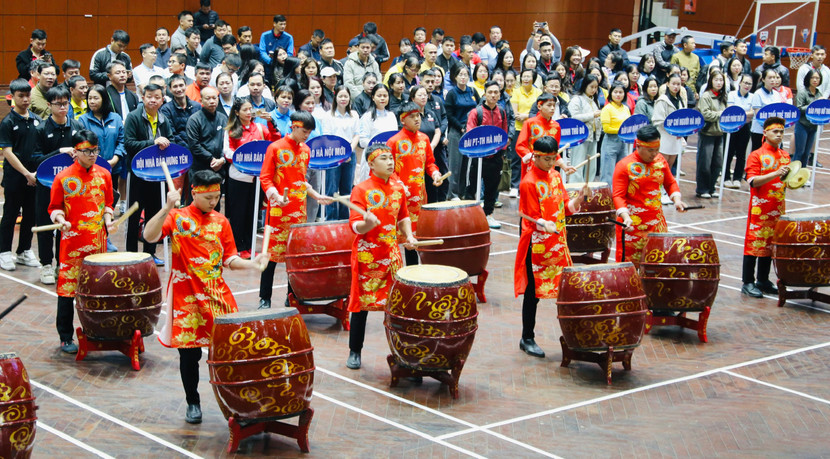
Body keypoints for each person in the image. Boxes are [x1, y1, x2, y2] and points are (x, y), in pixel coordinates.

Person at [144, 169, 268, 424]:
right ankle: (193, 402)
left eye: (217, 196)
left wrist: (252, 264)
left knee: (230, 351)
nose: (214, 202)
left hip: (216, 294)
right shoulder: (177, 217)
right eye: (209, 197)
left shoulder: (221, 222)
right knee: (190, 355)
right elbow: (149, 236)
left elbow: (230, 260)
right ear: (194, 193)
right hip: (185, 296)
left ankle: (238, 403)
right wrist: (167, 206)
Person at [514, 135, 587, 358]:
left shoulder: (556, 176)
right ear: (535, 156)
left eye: (554, 158)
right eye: (546, 159)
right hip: (536, 246)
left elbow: (566, 206)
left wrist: (579, 199)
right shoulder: (528, 182)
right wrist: (543, 223)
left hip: (558, 242)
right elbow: (530, 218)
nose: (550, 163)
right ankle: (527, 337)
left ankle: (575, 335)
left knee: (566, 289)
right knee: (532, 293)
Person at [345, 144, 416, 369]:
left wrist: (409, 236)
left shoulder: (398, 187)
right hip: (368, 256)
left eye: (391, 158)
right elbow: (354, 226)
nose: (390, 162)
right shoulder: (361, 189)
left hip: (392, 254)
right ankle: (355, 351)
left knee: (396, 306)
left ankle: (400, 351)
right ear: (371, 164)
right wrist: (367, 223)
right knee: (362, 305)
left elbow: (403, 216)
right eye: (383, 158)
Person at [48, 130, 115, 353]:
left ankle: (96, 331)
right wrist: (60, 219)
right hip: (72, 243)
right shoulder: (63, 177)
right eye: (87, 151)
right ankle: (65, 336)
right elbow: (54, 207)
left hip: (97, 242)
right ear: (76, 152)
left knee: (96, 290)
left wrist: (108, 220)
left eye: (95, 150)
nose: (92, 155)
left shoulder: (104, 174)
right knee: (67, 291)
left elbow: (108, 204)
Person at [258, 111, 332, 309]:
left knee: (294, 257)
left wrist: (316, 195)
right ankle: (264, 298)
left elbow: (301, 180)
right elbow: (265, 178)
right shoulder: (275, 148)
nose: (307, 135)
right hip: (278, 210)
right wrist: (275, 196)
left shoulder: (306, 150)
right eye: (304, 131)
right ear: (294, 126)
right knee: (271, 257)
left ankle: (292, 296)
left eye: (309, 132)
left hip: (298, 210)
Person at [613, 125, 685, 265]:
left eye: (657, 150)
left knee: (657, 265)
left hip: (656, 224)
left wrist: (677, 200)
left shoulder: (660, 161)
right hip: (632, 225)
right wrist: (625, 216)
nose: (654, 154)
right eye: (650, 150)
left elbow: (670, 183)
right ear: (638, 146)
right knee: (630, 270)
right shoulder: (624, 166)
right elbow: (618, 196)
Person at [33, 86, 82, 284]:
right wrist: (59, 152)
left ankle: (62, 263)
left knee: (66, 226)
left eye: (65, 103)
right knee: (46, 226)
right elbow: (35, 159)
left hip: (71, 188)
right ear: (49, 105)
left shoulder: (77, 126)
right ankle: (46, 265)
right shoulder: (40, 129)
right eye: (58, 104)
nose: (63, 107)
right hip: (46, 186)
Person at [387, 102, 443, 266]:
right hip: (399, 198)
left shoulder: (424, 139)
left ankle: (415, 273)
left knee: (416, 239)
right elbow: (388, 169)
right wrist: (398, 184)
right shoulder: (394, 142)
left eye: (418, 115)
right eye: (412, 116)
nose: (417, 119)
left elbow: (430, 163)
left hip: (419, 198)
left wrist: (435, 173)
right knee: (398, 238)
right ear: (403, 120)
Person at [224, 98, 280, 259]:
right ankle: (237, 247)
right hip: (239, 177)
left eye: (250, 109)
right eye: (245, 110)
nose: (249, 112)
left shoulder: (261, 128)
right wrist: (244, 158)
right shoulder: (231, 130)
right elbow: (227, 152)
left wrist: (272, 124)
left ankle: (249, 246)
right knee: (238, 214)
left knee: (252, 213)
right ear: (236, 112)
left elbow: (274, 142)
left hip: (257, 178)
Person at [741, 117, 790, 298]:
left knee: (770, 245)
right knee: (754, 244)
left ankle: (763, 280)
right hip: (760, 209)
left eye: (781, 132)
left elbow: (788, 182)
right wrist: (775, 173)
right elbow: (752, 181)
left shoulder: (785, 156)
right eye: (775, 132)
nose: (778, 135)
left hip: (778, 209)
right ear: (765, 133)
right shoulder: (756, 155)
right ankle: (747, 282)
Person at [124, 83, 173, 265]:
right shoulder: (133, 117)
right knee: (133, 215)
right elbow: (129, 144)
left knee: (155, 215)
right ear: (143, 97)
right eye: (149, 96)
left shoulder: (164, 119)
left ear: (162, 99)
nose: (153, 100)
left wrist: (167, 143)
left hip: (157, 176)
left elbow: (171, 140)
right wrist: (153, 142)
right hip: (137, 175)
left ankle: (149, 253)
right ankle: (130, 255)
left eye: (157, 97)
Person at [0, 79, 42, 272]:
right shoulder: (7, 122)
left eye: (28, 96)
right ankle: (4, 252)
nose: (25, 100)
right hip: (15, 177)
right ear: (12, 98)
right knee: (10, 214)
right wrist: (25, 173)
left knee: (30, 215)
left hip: (34, 178)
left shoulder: (36, 120)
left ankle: (24, 250)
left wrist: (34, 174)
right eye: (21, 96)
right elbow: (7, 152)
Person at [78, 84, 126, 226]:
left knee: (109, 203)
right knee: (92, 204)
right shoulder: (83, 120)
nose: (92, 101)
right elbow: (82, 144)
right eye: (89, 98)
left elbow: (122, 141)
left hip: (113, 167)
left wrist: (116, 158)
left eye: (95, 98)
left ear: (104, 99)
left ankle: (106, 235)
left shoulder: (116, 118)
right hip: (91, 169)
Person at [466, 81, 509, 228]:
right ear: (484, 93)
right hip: (477, 158)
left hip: (495, 158)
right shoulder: (475, 112)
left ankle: (488, 215)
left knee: (492, 188)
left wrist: (501, 151)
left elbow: (504, 133)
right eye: (490, 92)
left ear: (499, 94)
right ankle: (470, 216)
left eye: (496, 92)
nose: (493, 95)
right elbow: (469, 133)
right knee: (472, 188)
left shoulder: (502, 111)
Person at [323, 86, 360, 220]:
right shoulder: (328, 115)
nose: (343, 99)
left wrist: (348, 152)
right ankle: (331, 220)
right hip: (333, 156)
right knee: (331, 190)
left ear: (349, 98)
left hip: (350, 155)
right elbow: (327, 137)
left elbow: (356, 135)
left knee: (346, 190)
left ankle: (345, 220)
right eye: (340, 96)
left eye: (346, 96)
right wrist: (340, 155)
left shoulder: (354, 114)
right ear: (335, 97)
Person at [186, 87, 227, 204]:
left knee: (215, 203)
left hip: (218, 168)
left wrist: (221, 160)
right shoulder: (194, 120)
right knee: (198, 202)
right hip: (200, 168)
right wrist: (211, 159)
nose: (212, 101)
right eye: (208, 98)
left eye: (214, 98)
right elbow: (194, 145)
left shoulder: (223, 118)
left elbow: (226, 142)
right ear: (201, 100)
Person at [444, 65, 480, 200]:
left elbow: (479, 108)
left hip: (470, 130)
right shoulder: (452, 94)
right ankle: (452, 193)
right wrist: (460, 127)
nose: (463, 77)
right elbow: (449, 114)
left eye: (466, 75)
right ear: (455, 77)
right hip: (456, 131)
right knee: (455, 164)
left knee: (466, 164)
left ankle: (461, 192)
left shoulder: (472, 91)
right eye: (460, 75)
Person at [508, 68, 543, 197]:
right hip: (519, 129)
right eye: (523, 76)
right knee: (517, 158)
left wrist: (526, 116)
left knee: (535, 156)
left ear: (533, 79)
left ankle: (532, 182)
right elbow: (515, 114)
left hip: (535, 130)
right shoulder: (516, 92)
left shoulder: (538, 92)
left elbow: (539, 112)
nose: (526, 79)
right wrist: (528, 115)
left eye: (528, 77)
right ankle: (515, 185)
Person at [696, 69, 728, 198]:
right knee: (705, 163)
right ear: (711, 81)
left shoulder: (723, 96)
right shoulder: (706, 96)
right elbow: (705, 114)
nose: (719, 83)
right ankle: (702, 189)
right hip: (707, 133)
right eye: (716, 80)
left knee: (717, 163)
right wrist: (720, 114)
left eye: (721, 80)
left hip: (719, 133)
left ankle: (711, 188)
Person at [652, 73, 687, 191]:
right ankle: (658, 190)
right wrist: (671, 125)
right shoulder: (662, 100)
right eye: (673, 84)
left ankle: (665, 191)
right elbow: (657, 120)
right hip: (664, 136)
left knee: (670, 165)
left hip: (675, 138)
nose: (676, 87)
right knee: (661, 165)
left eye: (678, 84)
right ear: (667, 84)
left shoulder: (680, 100)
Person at [568, 75, 603, 184]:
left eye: (596, 87)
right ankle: (575, 189)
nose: (594, 90)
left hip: (593, 136)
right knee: (578, 164)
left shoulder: (594, 101)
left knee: (591, 165)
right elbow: (574, 117)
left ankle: (589, 188)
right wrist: (592, 115)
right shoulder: (577, 99)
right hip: (580, 137)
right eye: (591, 87)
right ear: (585, 86)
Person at [724, 73, 754, 189]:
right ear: (740, 83)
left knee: (741, 154)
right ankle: (726, 177)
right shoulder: (732, 95)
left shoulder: (752, 97)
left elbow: (752, 114)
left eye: (750, 84)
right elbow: (731, 111)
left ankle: (737, 178)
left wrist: (741, 114)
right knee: (729, 152)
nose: (747, 85)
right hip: (732, 127)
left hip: (745, 127)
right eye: (745, 82)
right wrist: (745, 114)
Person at [598, 81, 631, 185]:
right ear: (611, 93)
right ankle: (606, 199)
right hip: (610, 142)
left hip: (623, 143)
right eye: (615, 92)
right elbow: (606, 129)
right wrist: (623, 130)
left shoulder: (626, 108)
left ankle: (618, 196)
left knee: (622, 171)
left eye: (621, 92)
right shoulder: (607, 108)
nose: (618, 94)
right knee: (608, 173)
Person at [749, 69, 788, 152]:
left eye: (774, 77)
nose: (773, 80)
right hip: (759, 131)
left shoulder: (777, 94)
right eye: (770, 78)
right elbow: (758, 114)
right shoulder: (758, 94)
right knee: (759, 155)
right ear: (763, 79)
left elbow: (779, 113)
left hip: (773, 131)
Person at [793, 70, 823, 169]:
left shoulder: (819, 94)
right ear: (808, 79)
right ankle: (793, 174)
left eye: (817, 78)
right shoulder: (803, 92)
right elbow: (799, 109)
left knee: (807, 153)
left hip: (813, 127)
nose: (815, 80)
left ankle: (802, 175)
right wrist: (814, 105)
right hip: (802, 125)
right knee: (799, 152)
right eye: (813, 78)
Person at [160, 74, 201, 147]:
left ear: (186, 86)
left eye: (181, 85)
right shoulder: (166, 109)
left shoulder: (197, 106)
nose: (179, 89)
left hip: (198, 148)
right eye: (175, 86)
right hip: (179, 150)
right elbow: (172, 134)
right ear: (170, 89)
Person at [358, 84, 398, 151]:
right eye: (379, 96)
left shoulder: (391, 115)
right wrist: (378, 148)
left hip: (388, 154)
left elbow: (395, 137)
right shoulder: (367, 116)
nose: (382, 98)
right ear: (373, 97)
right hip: (372, 154)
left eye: (385, 96)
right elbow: (362, 141)